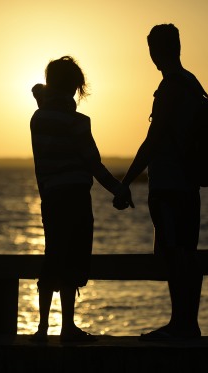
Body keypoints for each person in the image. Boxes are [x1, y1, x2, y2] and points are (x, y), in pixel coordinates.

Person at [30, 56, 131, 343]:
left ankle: (41, 329)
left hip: (50, 196)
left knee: (53, 256)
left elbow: (39, 94)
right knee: (73, 258)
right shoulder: (78, 122)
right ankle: (68, 327)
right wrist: (119, 190)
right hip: (75, 196)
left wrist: (44, 92)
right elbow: (94, 164)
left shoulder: (38, 118)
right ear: (75, 87)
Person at [113, 24, 204, 340]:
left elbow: (153, 141)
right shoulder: (193, 84)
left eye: (152, 49)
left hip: (169, 185)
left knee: (174, 253)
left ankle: (182, 324)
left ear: (158, 50)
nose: (151, 55)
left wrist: (125, 182)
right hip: (191, 184)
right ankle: (186, 322)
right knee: (185, 252)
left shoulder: (169, 89)